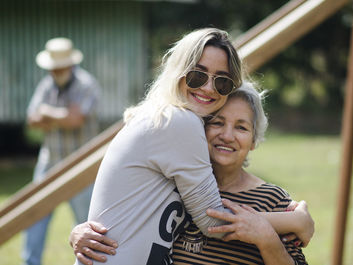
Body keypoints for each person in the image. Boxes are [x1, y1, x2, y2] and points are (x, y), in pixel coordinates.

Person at [69, 82, 314, 265]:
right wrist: (82, 233)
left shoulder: (274, 200)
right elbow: (129, 217)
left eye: (241, 127)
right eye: (217, 122)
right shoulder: (172, 189)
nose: (227, 135)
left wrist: (266, 238)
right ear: (199, 131)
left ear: (253, 140)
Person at [72, 28, 243, 265]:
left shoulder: (164, 118)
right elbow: (214, 224)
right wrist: (291, 221)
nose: (209, 88)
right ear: (178, 73)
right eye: (197, 75)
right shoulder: (179, 122)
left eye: (222, 82)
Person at [24, 37, 101, 265]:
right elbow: (32, 119)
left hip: (81, 166)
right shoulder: (47, 84)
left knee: (88, 225)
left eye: (58, 67)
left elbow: (75, 120)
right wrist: (60, 115)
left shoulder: (87, 84)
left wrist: (48, 113)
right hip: (49, 162)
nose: (55, 71)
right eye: (52, 68)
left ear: (69, 65)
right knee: (33, 218)